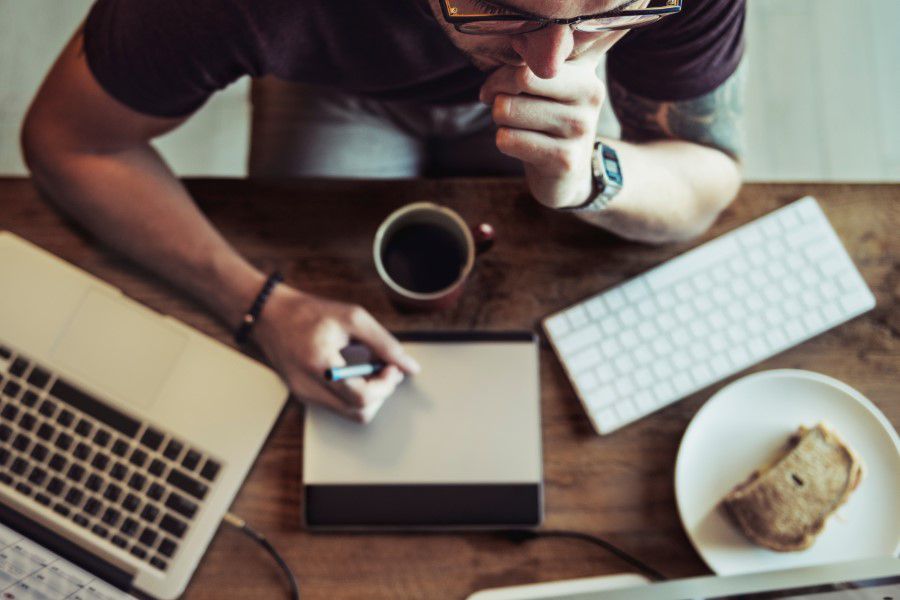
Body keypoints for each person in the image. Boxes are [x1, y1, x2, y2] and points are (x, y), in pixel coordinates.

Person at [20, 0, 745, 422]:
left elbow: (706, 178)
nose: (550, 67)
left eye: (611, 12)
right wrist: (260, 305)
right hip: (334, 87)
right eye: (497, 7)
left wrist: (593, 173)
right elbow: (68, 142)